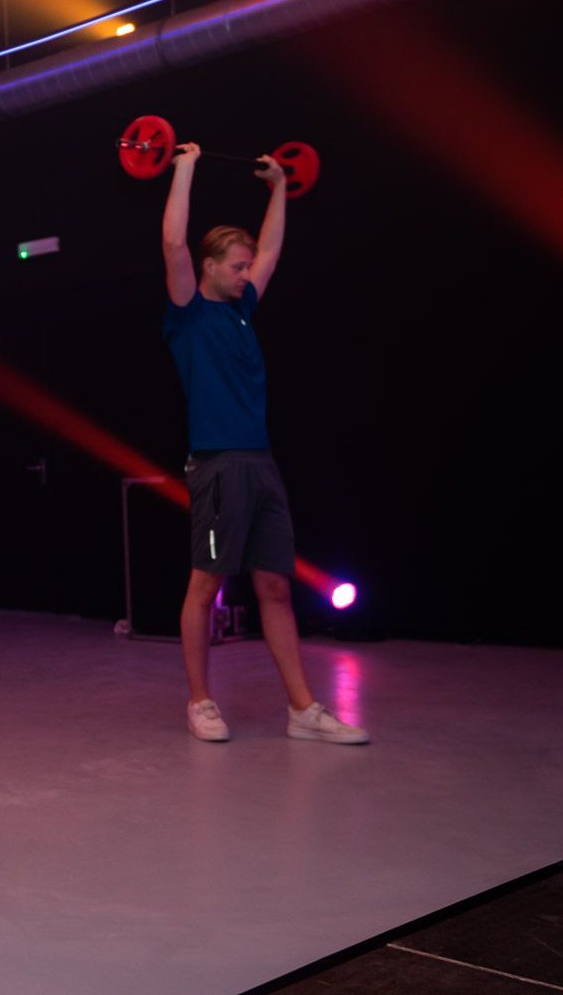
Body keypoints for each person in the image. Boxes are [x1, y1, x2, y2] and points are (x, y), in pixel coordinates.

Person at [160, 142, 367, 745]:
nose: (249, 274)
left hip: (262, 464)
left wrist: (279, 186)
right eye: (238, 266)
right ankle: (200, 702)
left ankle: (303, 711)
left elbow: (273, 249)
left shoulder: (243, 307)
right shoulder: (188, 312)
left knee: (274, 584)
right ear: (209, 268)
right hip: (219, 469)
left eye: (248, 267)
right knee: (207, 585)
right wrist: (187, 166)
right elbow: (174, 242)